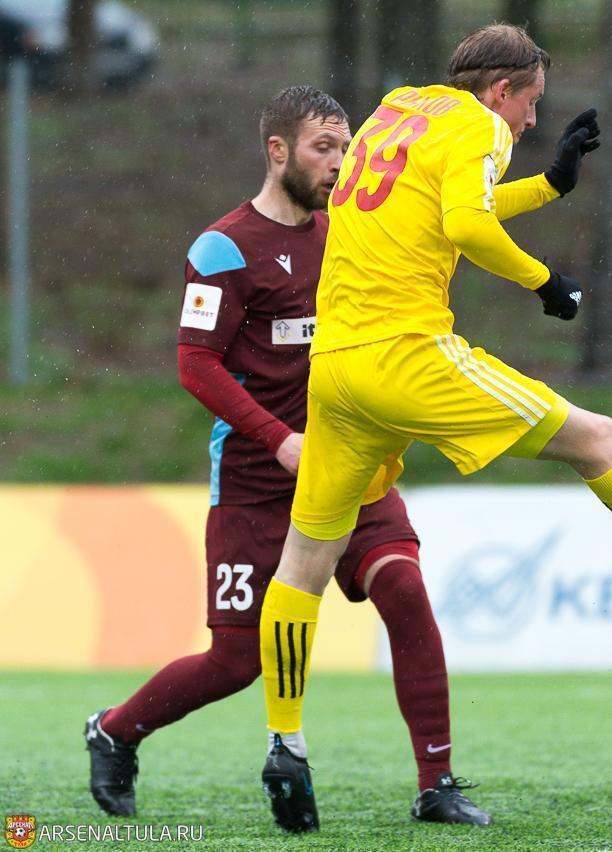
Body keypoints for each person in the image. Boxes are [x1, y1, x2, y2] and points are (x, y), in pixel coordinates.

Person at [254, 24, 612, 833]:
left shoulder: (397, 110)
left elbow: (441, 205)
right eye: (531, 104)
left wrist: (551, 185)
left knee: (303, 564)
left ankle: (285, 743)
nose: (530, 122)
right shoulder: (479, 125)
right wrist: (545, 281)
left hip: (337, 369)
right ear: (501, 91)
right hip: (407, 356)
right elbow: (467, 225)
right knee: (599, 439)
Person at [83, 86, 489, 830]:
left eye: (346, 149)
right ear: (277, 151)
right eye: (323, 148)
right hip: (255, 484)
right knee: (238, 660)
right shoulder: (223, 248)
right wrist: (279, 438)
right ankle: (115, 730)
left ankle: (437, 783)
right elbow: (196, 365)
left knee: (404, 589)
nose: (339, 164)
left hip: (349, 465)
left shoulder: (347, 234)